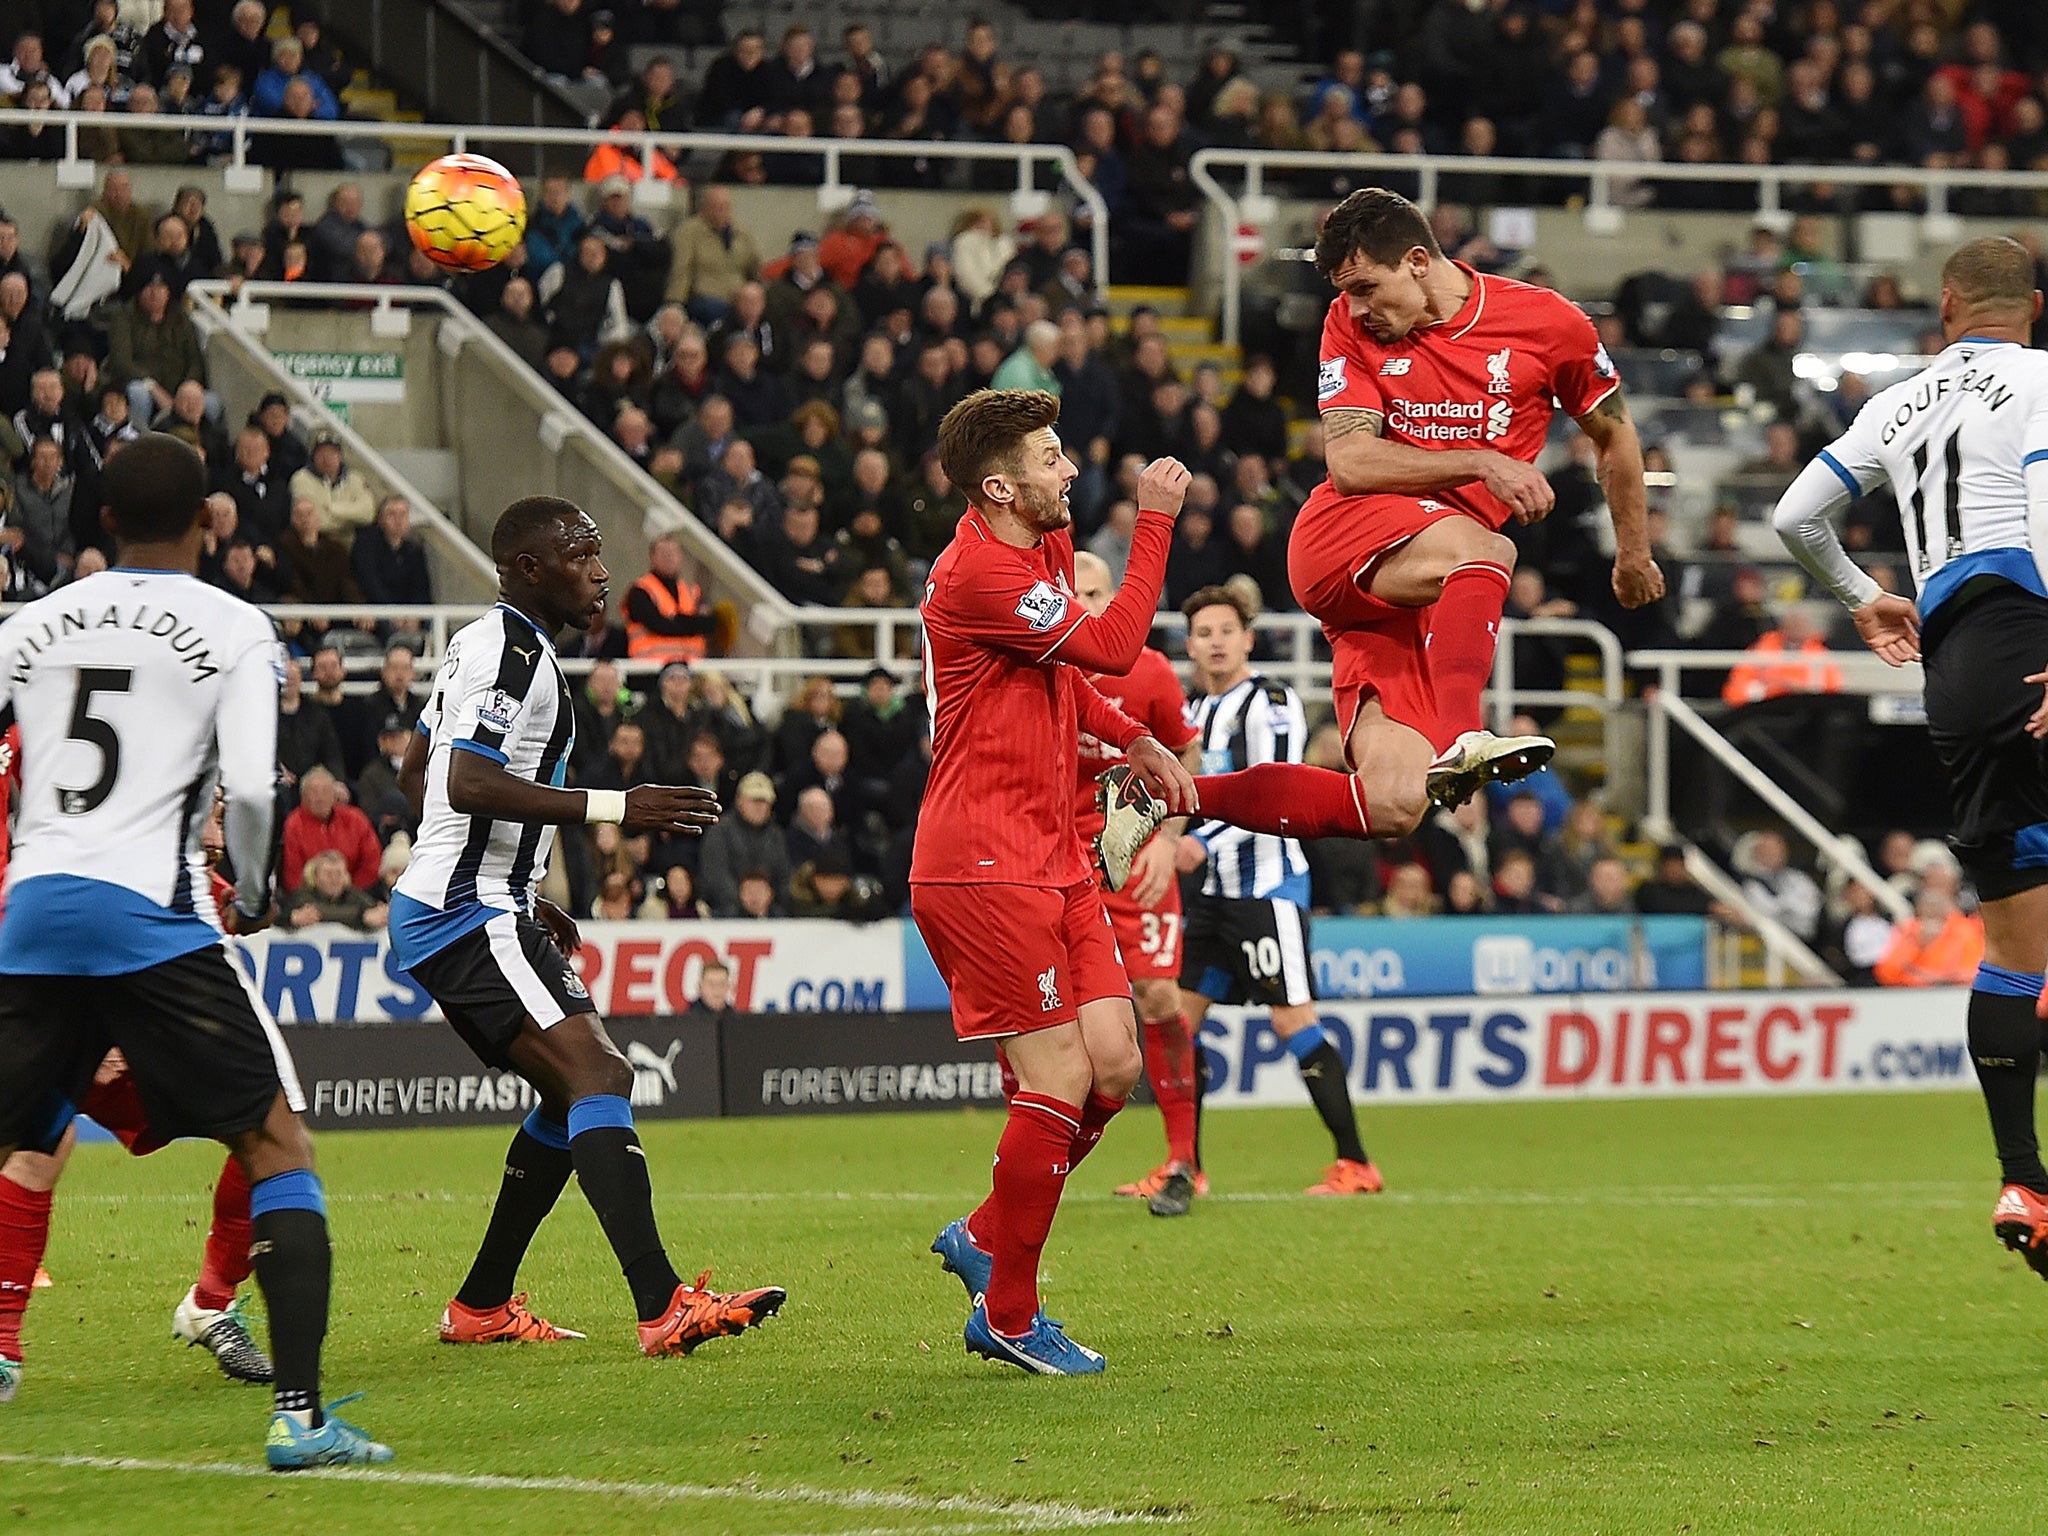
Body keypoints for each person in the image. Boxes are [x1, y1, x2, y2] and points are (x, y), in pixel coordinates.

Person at [0, 433, 389, 1464]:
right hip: (148, 911)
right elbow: (255, 790)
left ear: (102, 519)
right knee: (276, 1144)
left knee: (26, 1140)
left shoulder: (29, 626)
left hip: (32, 911)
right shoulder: (232, 625)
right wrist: (254, 888)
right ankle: (301, 1421)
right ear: (210, 518)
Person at [1160, 188, 1664, 873]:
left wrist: (1632, 551)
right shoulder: (1349, 324)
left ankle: (1164, 796)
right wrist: (1483, 461)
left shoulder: (1548, 325)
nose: (1358, 306)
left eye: (1368, 286)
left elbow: (1616, 437)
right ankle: (1464, 733)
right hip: (1346, 535)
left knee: (1394, 804)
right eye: (1347, 291)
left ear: (1420, 261)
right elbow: (1350, 460)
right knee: (1488, 548)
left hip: (1414, 593)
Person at [392, 495, 784, 1355]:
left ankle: (481, 1306)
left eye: (602, 552)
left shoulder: (482, 643)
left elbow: (415, 764)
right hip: (462, 911)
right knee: (600, 1075)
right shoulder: (509, 655)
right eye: (582, 553)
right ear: (529, 568)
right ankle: (661, 1305)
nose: (603, 571)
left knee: (572, 1094)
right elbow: (461, 782)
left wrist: (517, 882)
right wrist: (618, 806)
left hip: (475, 899)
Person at [1771, 235, 2048, 1277]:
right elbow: (2039, 493)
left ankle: (2022, 1176)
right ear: (2030, 305)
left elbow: (1795, 515)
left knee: (2014, 947)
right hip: (2027, 629)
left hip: (1952, 671)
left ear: (1944, 307)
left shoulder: (1896, 403)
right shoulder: (2038, 381)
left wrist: (1860, 599)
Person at [914, 389, 1195, 1375]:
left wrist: (1134, 737)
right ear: (999, 484)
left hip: (1054, 857)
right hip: (981, 860)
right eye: (1048, 456)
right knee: (1058, 1076)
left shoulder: (1025, 555)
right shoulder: (977, 571)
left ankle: (990, 1230)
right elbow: (1113, 647)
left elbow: (1067, 680)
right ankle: (1008, 1310)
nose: (1068, 468)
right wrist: (1152, 521)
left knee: (1113, 1061)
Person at [1175, 584, 1383, 1197]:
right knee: (1175, 1031)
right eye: (1203, 633)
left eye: (1225, 631)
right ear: (1189, 646)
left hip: (1268, 890)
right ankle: (1186, 1165)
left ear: (1248, 639)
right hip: (1213, 896)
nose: (1215, 642)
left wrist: (1200, 843)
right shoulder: (1193, 714)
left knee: (1294, 1023)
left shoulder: (1269, 702)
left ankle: (1356, 1163)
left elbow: (1267, 794)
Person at [1065, 553, 1205, 1216]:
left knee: (1156, 996)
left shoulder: (1147, 669)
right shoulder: (1046, 665)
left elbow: (1187, 753)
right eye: (1075, 592)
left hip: (1138, 857)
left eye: (1097, 592)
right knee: (1047, 1009)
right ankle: (1043, 1154)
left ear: (1114, 596)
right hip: (1063, 860)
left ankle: (1183, 1158)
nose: (1087, 604)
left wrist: (1170, 840)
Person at [624, 533, 718, 664]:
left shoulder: (692, 591)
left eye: (673, 553)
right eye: (663, 554)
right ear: (652, 557)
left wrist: (675, 620)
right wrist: (693, 623)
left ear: (680, 557)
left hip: (692, 668)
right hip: (650, 670)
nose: (669, 558)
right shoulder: (640, 591)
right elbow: (659, 625)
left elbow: (709, 623)